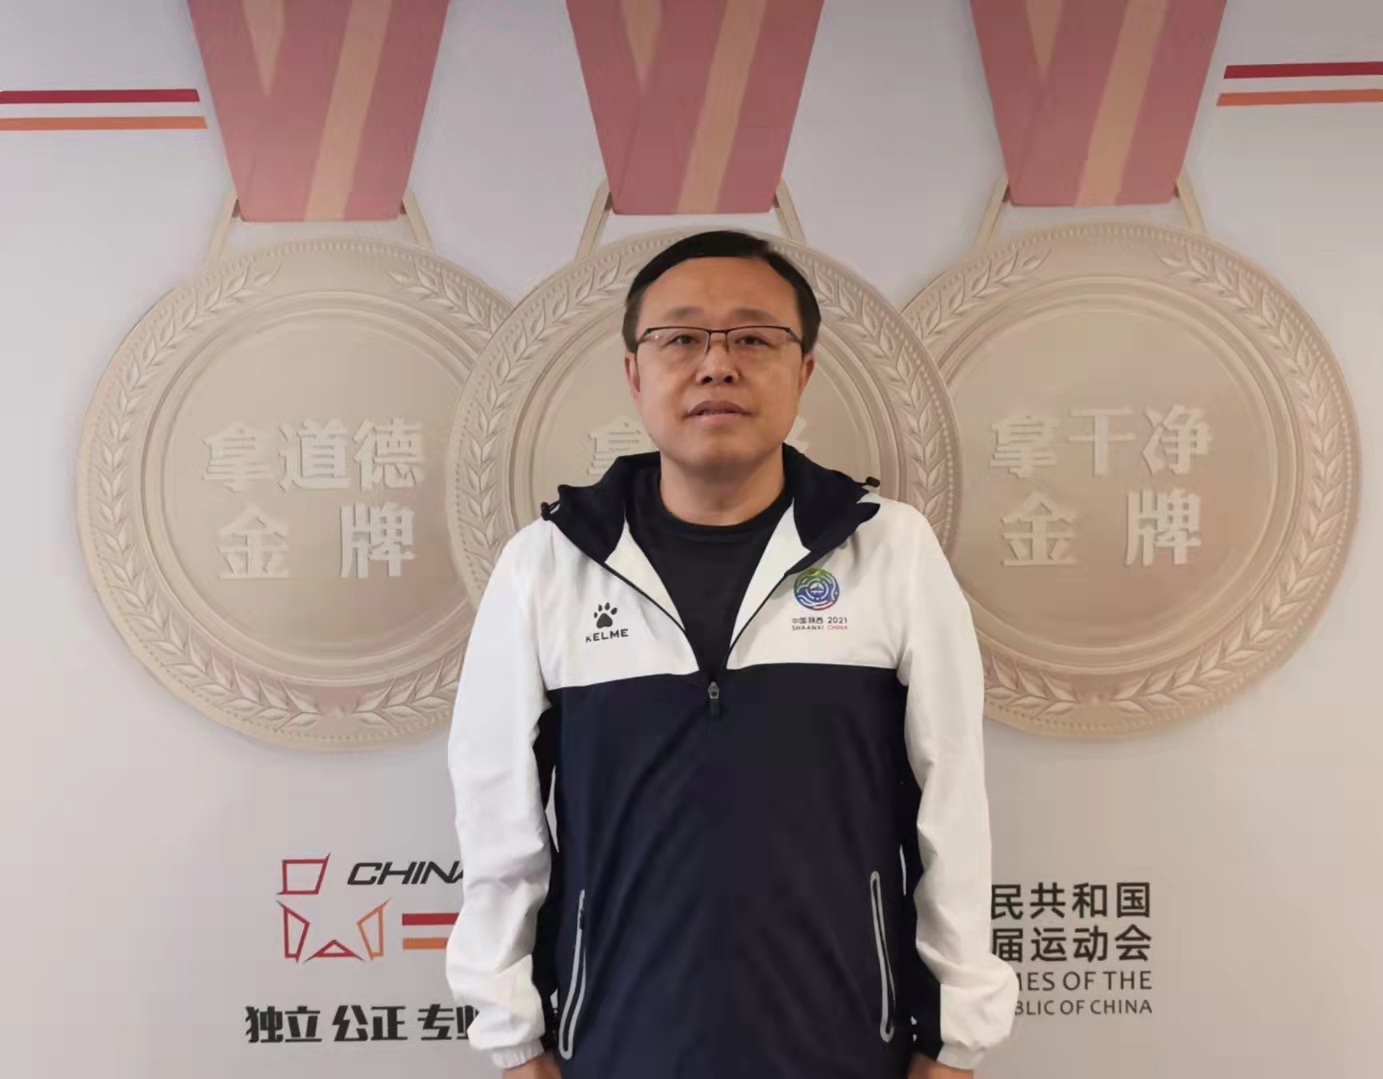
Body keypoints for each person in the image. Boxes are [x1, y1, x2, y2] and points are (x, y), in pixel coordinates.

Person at [446, 231, 1017, 1079]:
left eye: (753, 337)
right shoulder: (549, 564)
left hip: (847, 1044)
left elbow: (952, 804)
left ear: (804, 369)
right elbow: (497, 818)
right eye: (680, 338)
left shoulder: (889, 550)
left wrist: (954, 1036)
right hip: (615, 1046)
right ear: (634, 372)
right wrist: (511, 1036)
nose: (716, 364)